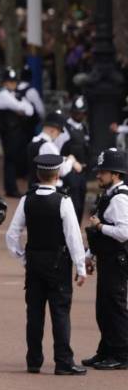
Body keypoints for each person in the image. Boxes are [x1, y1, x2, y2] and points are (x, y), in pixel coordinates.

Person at [5, 153, 90, 375]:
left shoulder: (27, 199)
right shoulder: (63, 201)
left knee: (34, 313)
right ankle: (63, 362)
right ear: (58, 173)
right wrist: (80, 267)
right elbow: (73, 237)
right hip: (58, 264)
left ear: (38, 174)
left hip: (33, 263)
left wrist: (23, 258)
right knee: (60, 312)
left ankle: (33, 360)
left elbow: (12, 235)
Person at [83, 148, 128, 370]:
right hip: (107, 258)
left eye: (103, 171)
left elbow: (123, 233)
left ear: (115, 174)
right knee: (104, 308)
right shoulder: (110, 195)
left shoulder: (120, 199)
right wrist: (90, 255)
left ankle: (121, 354)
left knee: (115, 307)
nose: (98, 175)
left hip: (116, 261)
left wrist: (100, 226)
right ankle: (106, 350)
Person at [0, 69, 37, 198]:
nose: (13, 84)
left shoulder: (14, 94)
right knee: (10, 161)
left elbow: (29, 110)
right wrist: (21, 108)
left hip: (15, 132)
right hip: (8, 133)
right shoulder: (3, 95)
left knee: (14, 160)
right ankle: (11, 189)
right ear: (4, 83)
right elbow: (21, 108)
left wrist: (22, 107)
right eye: (10, 82)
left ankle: (12, 187)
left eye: (14, 82)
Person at [61, 96, 91, 221]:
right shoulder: (65, 128)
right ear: (71, 112)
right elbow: (58, 151)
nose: (79, 115)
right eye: (76, 113)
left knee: (80, 206)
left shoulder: (84, 128)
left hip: (82, 173)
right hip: (70, 172)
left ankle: (76, 231)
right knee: (72, 204)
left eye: (82, 113)